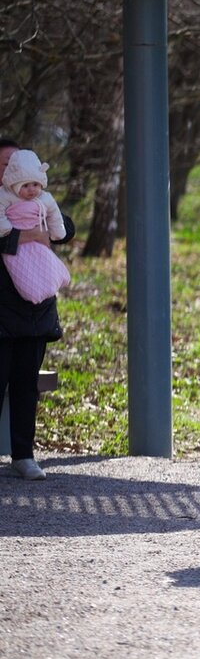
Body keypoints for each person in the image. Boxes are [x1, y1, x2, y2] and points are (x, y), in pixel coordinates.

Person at [0, 138, 75, 481]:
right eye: (4, 164)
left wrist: (44, 230)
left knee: (26, 383)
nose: (10, 169)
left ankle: (23, 455)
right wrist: (24, 237)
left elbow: (64, 228)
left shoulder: (36, 198)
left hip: (34, 310)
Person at [0, 149, 71, 304]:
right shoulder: (5, 196)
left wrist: (57, 231)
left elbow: (56, 215)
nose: (32, 189)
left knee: (45, 264)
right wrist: (8, 230)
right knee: (23, 270)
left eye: (35, 184)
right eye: (25, 185)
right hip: (16, 249)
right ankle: (33, 291)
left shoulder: (43, 198)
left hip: (39, 245)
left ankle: (55, 280)